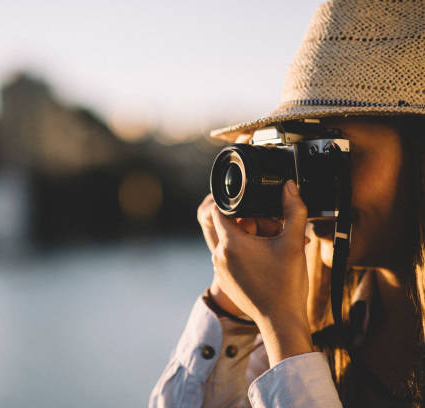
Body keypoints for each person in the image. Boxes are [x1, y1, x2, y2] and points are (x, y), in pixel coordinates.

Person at [149, 0, 425, 407]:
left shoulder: (293, 324)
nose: (305, 187)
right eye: (298, 154)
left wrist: (285, 332)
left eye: (329, 154)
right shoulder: (319, 316)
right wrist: (232, 308)